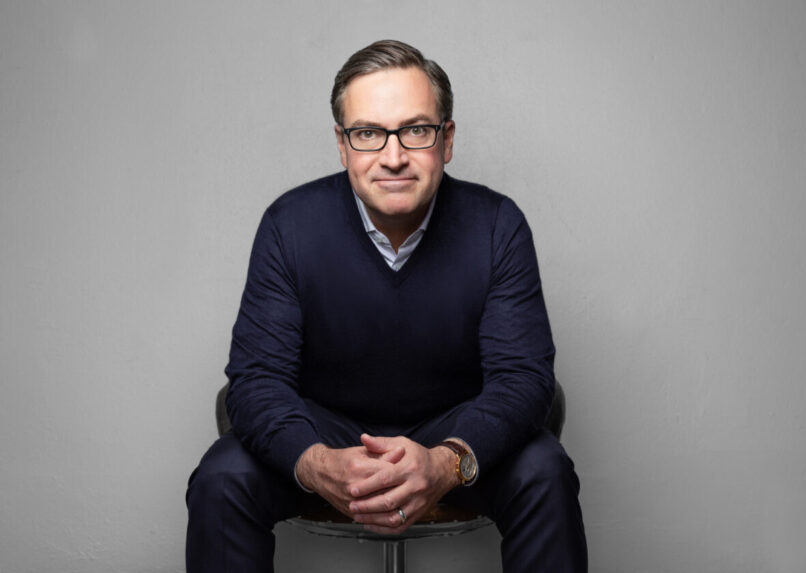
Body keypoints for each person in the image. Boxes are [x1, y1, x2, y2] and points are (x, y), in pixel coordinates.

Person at [185, 39, 587, 572]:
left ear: (446, 140)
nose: (393, 157)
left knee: (544, 470)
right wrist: (317, 463)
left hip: (455, 433)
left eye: (416, 130)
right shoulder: (289, 226)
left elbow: (523, 379)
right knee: (222, 477)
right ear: (342, 144)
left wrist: (446, 462)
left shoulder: (497, 226)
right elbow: (256, 380)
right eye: (368, 133)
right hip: (325, 433)